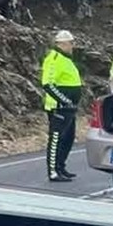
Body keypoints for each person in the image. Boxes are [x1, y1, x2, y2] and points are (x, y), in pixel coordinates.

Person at [41, 30, 83, 181]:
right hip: (58, 107)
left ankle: (61, 167)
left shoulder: (66, 59)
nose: (72, 46)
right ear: (62, 44)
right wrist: (64, 100)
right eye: (70, 43)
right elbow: (47, 84)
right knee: (56, 139)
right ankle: (53, 171)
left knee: (68, 138)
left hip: (69, 107)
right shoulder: (54, 59)